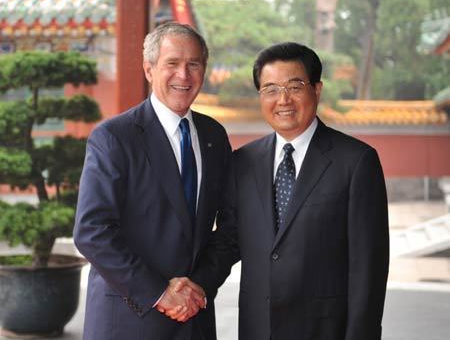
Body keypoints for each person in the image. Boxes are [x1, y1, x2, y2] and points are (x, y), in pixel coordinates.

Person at [176, 42, 390, 339]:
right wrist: (196, 284)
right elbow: (229, 240)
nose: (283, 99)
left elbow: (369, 268)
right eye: (271, 89)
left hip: (325, 329)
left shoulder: (356, 162)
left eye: (295, 86)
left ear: (317, 89)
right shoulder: (243, 162)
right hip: (259, 329)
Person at [73, 22, 231, 340]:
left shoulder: (214, 136)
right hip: (128, 318)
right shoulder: (114, 137)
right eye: (172, 64)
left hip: (194, 317)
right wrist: (160, 292)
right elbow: (91, 231)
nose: (183, 76)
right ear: (149, 69)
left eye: (194, 65)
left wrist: (199, 285)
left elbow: (231, 227)